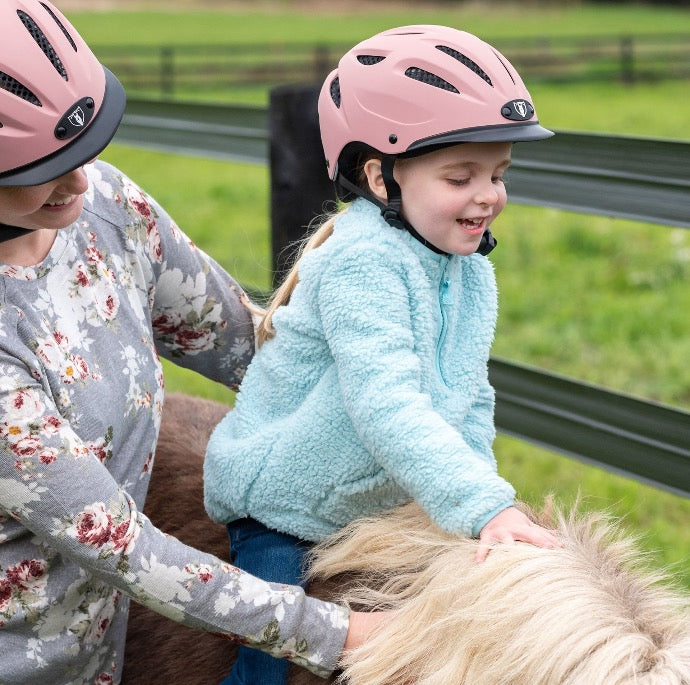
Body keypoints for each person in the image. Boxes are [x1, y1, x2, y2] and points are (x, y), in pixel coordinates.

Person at [0, 2, 383, 683]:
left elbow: (252, 346)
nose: (83, 180)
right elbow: (125, 548)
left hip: (103, 646)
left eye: (87, 147)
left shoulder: (107, 212)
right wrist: (339, 630)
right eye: (43, 167)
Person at [204, 24, 564, 685]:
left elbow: (468, 396)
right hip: (286, 503)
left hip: (371, 493)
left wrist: (477, 506)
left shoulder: (469, 271)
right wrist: (484, 505)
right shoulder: (362, 263)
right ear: (379, 176)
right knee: (272, 653)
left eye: (498, 174)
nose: (489, 195)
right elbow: (385, 403)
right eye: (461, 176)